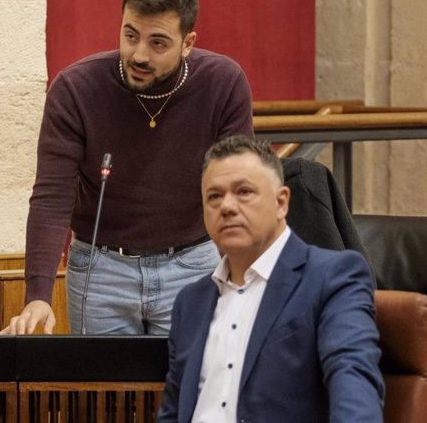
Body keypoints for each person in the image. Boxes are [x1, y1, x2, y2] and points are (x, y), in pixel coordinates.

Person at [1, 0, 253, 335]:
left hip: (193, 264)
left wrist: (246, 271)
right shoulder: (75, 89)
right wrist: (38, 294)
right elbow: (51, 198)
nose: (139, 54)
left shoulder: (223, 83)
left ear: (188, 43)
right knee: (102, 392)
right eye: (130, 35)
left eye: (158, 43)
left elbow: (241, 188)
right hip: (101, 270)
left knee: (197, 389)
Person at [157, 135, 384, 422]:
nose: (226, 206)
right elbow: (173, 413)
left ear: (281, 203)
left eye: (244, 192)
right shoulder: (190, 301)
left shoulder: (332, 277)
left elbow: (355, 391)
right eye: (214, 196)